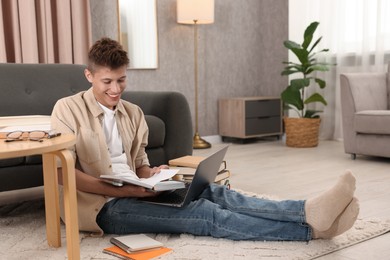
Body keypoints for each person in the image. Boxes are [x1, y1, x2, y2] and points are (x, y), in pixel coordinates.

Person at [51, 37, 359, 241]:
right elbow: (63, 172)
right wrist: (130, 189)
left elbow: (141, 163)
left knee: (214, 193)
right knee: (203, 215)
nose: (116, 89)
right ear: (89, 76)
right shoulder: (66, 109)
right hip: (102, 208)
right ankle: (310, 233)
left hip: (136, 190)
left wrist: (151, 176)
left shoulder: (132, 112)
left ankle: (306, 211)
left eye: (121, 80)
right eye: (107, 81)